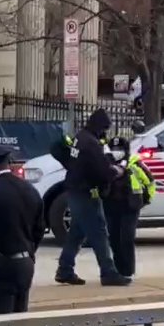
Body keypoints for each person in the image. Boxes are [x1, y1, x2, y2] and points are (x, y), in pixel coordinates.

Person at [55, 109, 132, 287]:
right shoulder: (91, 143)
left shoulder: (80, 138)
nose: (105, 132)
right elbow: (102, 170)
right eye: (104, 128)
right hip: (86, 193)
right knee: (99, 232)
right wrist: (117, 171)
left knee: (76, 233)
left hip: (75, 190)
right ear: (99, 126)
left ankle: (64, 269)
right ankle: (108, 272)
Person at [0, 145, 45, 316]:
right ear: (9, 162)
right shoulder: (30, 190)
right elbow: (39, 228)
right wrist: (29, 251)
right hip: (25, 264)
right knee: (18, 323)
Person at [103, 136, 155, 279]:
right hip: (110, 207)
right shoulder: (106, 164)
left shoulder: (134, 164)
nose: (116, 152)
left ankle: (128, 271)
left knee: (126, 238)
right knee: (113, 239)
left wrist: (146, 199)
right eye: (113, 149)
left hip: (129, 207)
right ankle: (118, 270)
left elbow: (150, 182)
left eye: (119, 149)